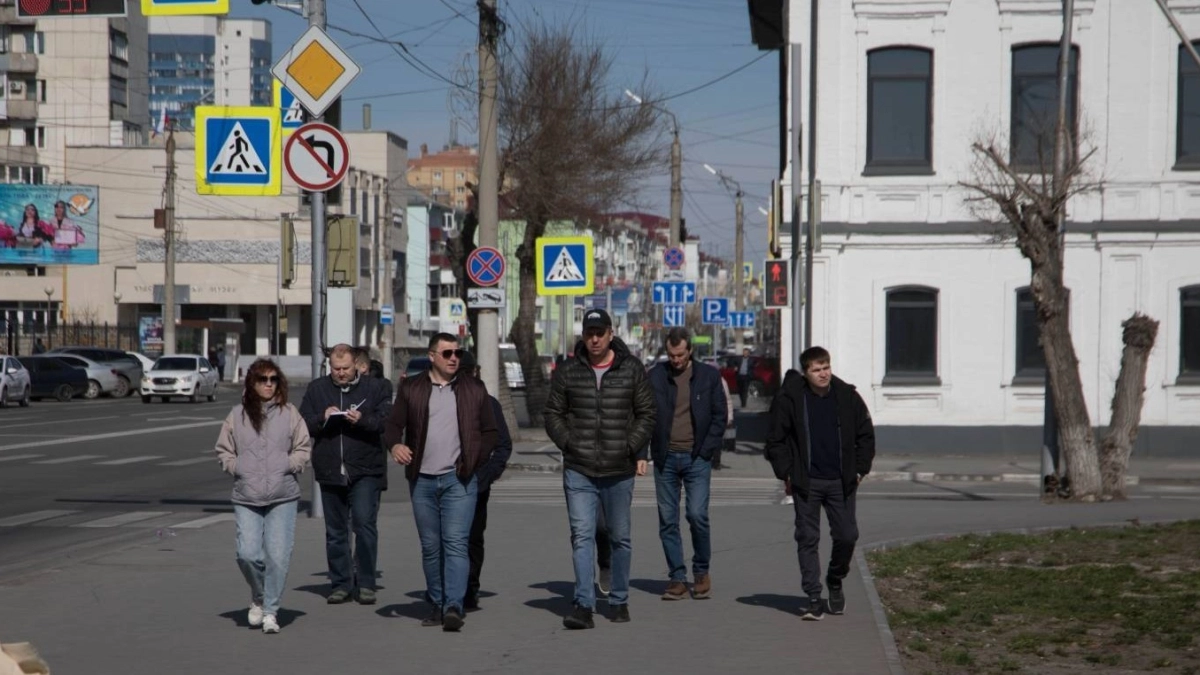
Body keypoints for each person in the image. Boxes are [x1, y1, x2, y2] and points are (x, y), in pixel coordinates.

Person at [544, 308, 655, 629]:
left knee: (620, 537)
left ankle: (619, 599)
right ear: (583, 335)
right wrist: (569, 443)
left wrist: (629, 446)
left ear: (610, 334)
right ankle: (583, 604)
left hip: (618, 470)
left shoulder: (631, 369)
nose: (594, 339)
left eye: (600, 333)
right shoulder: (568, 371)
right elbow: (553, 413)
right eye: (589, 333)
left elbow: (647, 413)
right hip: (579, 468)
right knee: (581, 536)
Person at [384, 333, 498, 632]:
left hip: (458, 480)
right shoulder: (412, 388)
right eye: (447, 353)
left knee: (457, 544)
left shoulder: (474, 388)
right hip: (421, 480)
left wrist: (474, 460)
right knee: (431, 547)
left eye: (457, 353)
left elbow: (490, 432)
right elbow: (393, 426)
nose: (453, 358)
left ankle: (453, 607)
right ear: (432, 355)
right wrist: (396, 446)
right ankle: (436, 602)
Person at [765, 346, 875, 621]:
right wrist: (787, 473)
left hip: (841, 481)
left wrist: (860, 470)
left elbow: (865, 434)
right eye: (816, 369)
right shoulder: (791, 399)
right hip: (807, 481)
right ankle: (814, 597)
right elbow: (775, 440)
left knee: (847, 535)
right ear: (806, 373)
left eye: (826, 367)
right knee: (807, 538)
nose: (823, 373)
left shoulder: (847, 396)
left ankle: (835, 579)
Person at [214, 359, 311, 634]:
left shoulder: (290, 413)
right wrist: (237, 467)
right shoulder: (237, 415)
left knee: (278, 557)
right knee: (247, 554)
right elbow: (223, 450)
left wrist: (289, 464)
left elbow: (303, 447)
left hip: (283, 495)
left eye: (273, 379)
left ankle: (270, 610)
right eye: (262, 379)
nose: (268, 384)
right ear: (252, 383)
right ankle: (259, 595)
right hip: (247, 496)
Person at [299, 343, 393, 606]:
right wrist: (322, 417)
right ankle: (340, 583)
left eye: (346, 368)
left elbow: (386, 422)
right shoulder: (317, 389)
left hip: (365, 468)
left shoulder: (375, 388)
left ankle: (365, 583)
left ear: (357, 366)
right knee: (336, 530)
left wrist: (362, 419)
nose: (340, 373)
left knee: (364, 524)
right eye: (335, 369)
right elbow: (301, 424)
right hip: (330, 468)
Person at [647, 328, 726, 600]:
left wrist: (706, 451)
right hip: (665, 457)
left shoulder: (708, 376)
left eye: (680, 355)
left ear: (690, 351)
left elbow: (720, 415)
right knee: (668, 520)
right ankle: (677, 578)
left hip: (696, 458)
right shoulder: (656, 376)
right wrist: (642, 452)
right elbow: (645, 413)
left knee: (696, 515)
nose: (676, 360)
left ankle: (701, 571)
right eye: (671, 355)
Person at [453, 351, 513, 611]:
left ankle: (469, 589)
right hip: (445, 481)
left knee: (471, 538)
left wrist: (486, 476)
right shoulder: (442, 400)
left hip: (477, 483)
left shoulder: (488, 404)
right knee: (451, 539)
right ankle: (450, 588)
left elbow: (502, 445)